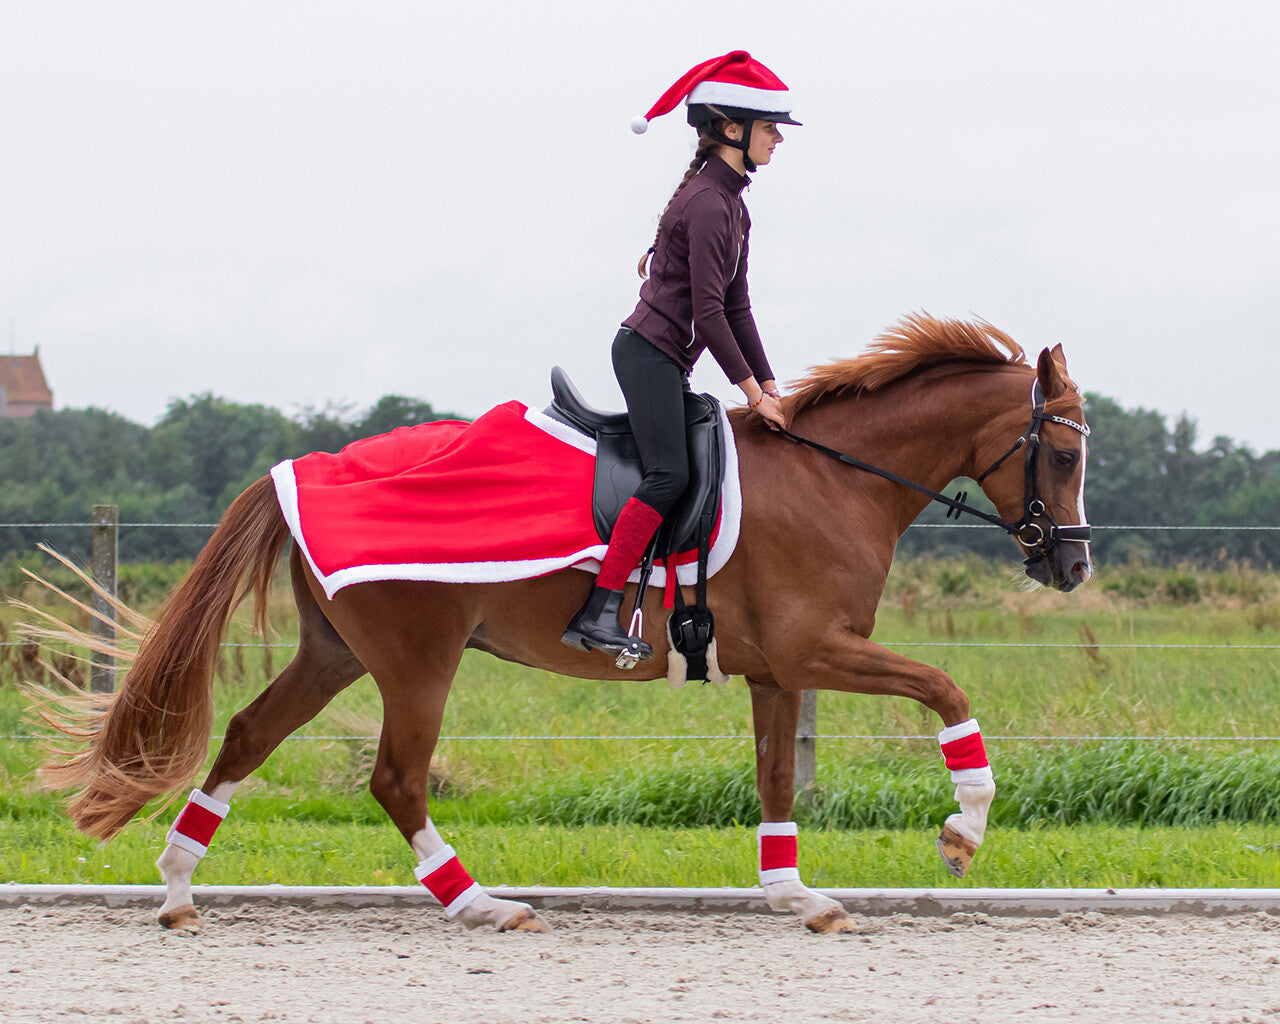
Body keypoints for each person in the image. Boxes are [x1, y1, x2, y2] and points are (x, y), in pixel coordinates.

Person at [562, 50, 800, 665]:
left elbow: (738, 306)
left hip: (666, 357)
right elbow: (709, 313)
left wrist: (771, 385)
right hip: (647, 353)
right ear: (731, 128)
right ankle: (598, 609)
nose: (777, 140)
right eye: (770, 128)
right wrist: (751, 394)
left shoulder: (732, 204)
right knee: (670, 474)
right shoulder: (707, 203)